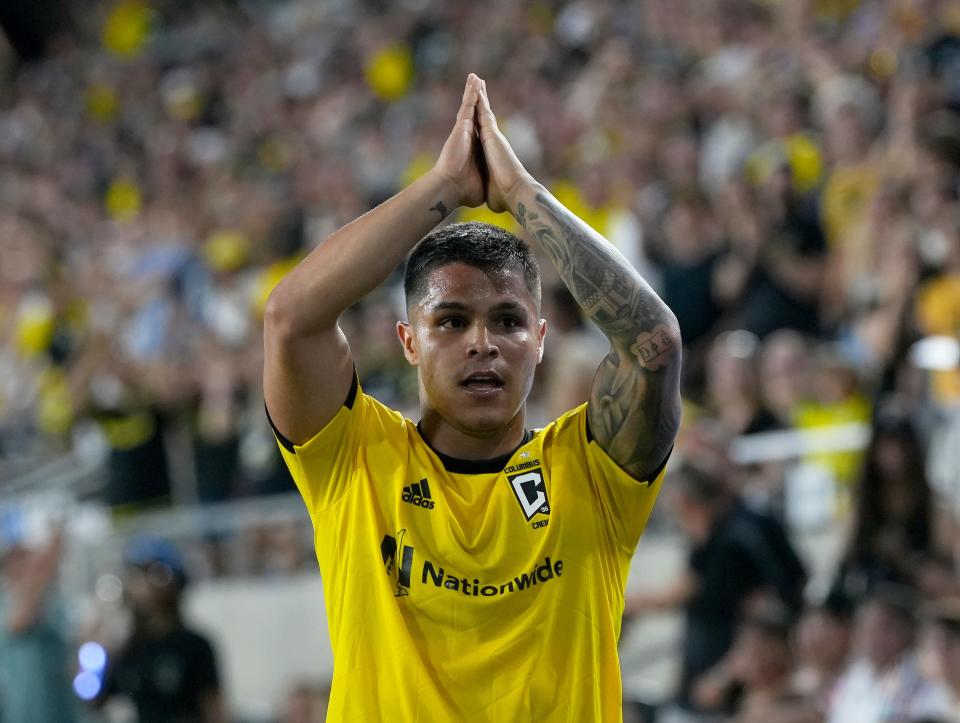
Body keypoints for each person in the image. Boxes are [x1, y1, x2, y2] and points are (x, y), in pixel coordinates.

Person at [263, 74, 682, 720]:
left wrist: (518, 192)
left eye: (510, 321)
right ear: (408, 340)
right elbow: (292, 318)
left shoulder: (591, 471)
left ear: (541, 340)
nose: (482, 343)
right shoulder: (355, 458)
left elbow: (652, 341)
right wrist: (445, 188)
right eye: (451, 320)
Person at [624, 454, 807, 719]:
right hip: (703, 685)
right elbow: (681, 591)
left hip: (732, 693)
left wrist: (724, 675)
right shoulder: (712, 539)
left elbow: (766, 619)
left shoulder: (732, 544)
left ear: (687, 503)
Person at [97, 537, 226, 723]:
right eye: (137, 575)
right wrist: (97, 649)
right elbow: (94, 699)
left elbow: (214, 710)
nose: (145, 585)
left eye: (156, 574)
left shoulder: (195, 646)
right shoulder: (128, 648)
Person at [0, 527, 78, 723]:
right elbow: (19, 621)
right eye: (24, 560)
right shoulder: (7, 604)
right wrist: (53, 549)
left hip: (62, 710)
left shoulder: (55, 605)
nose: (33, 564)